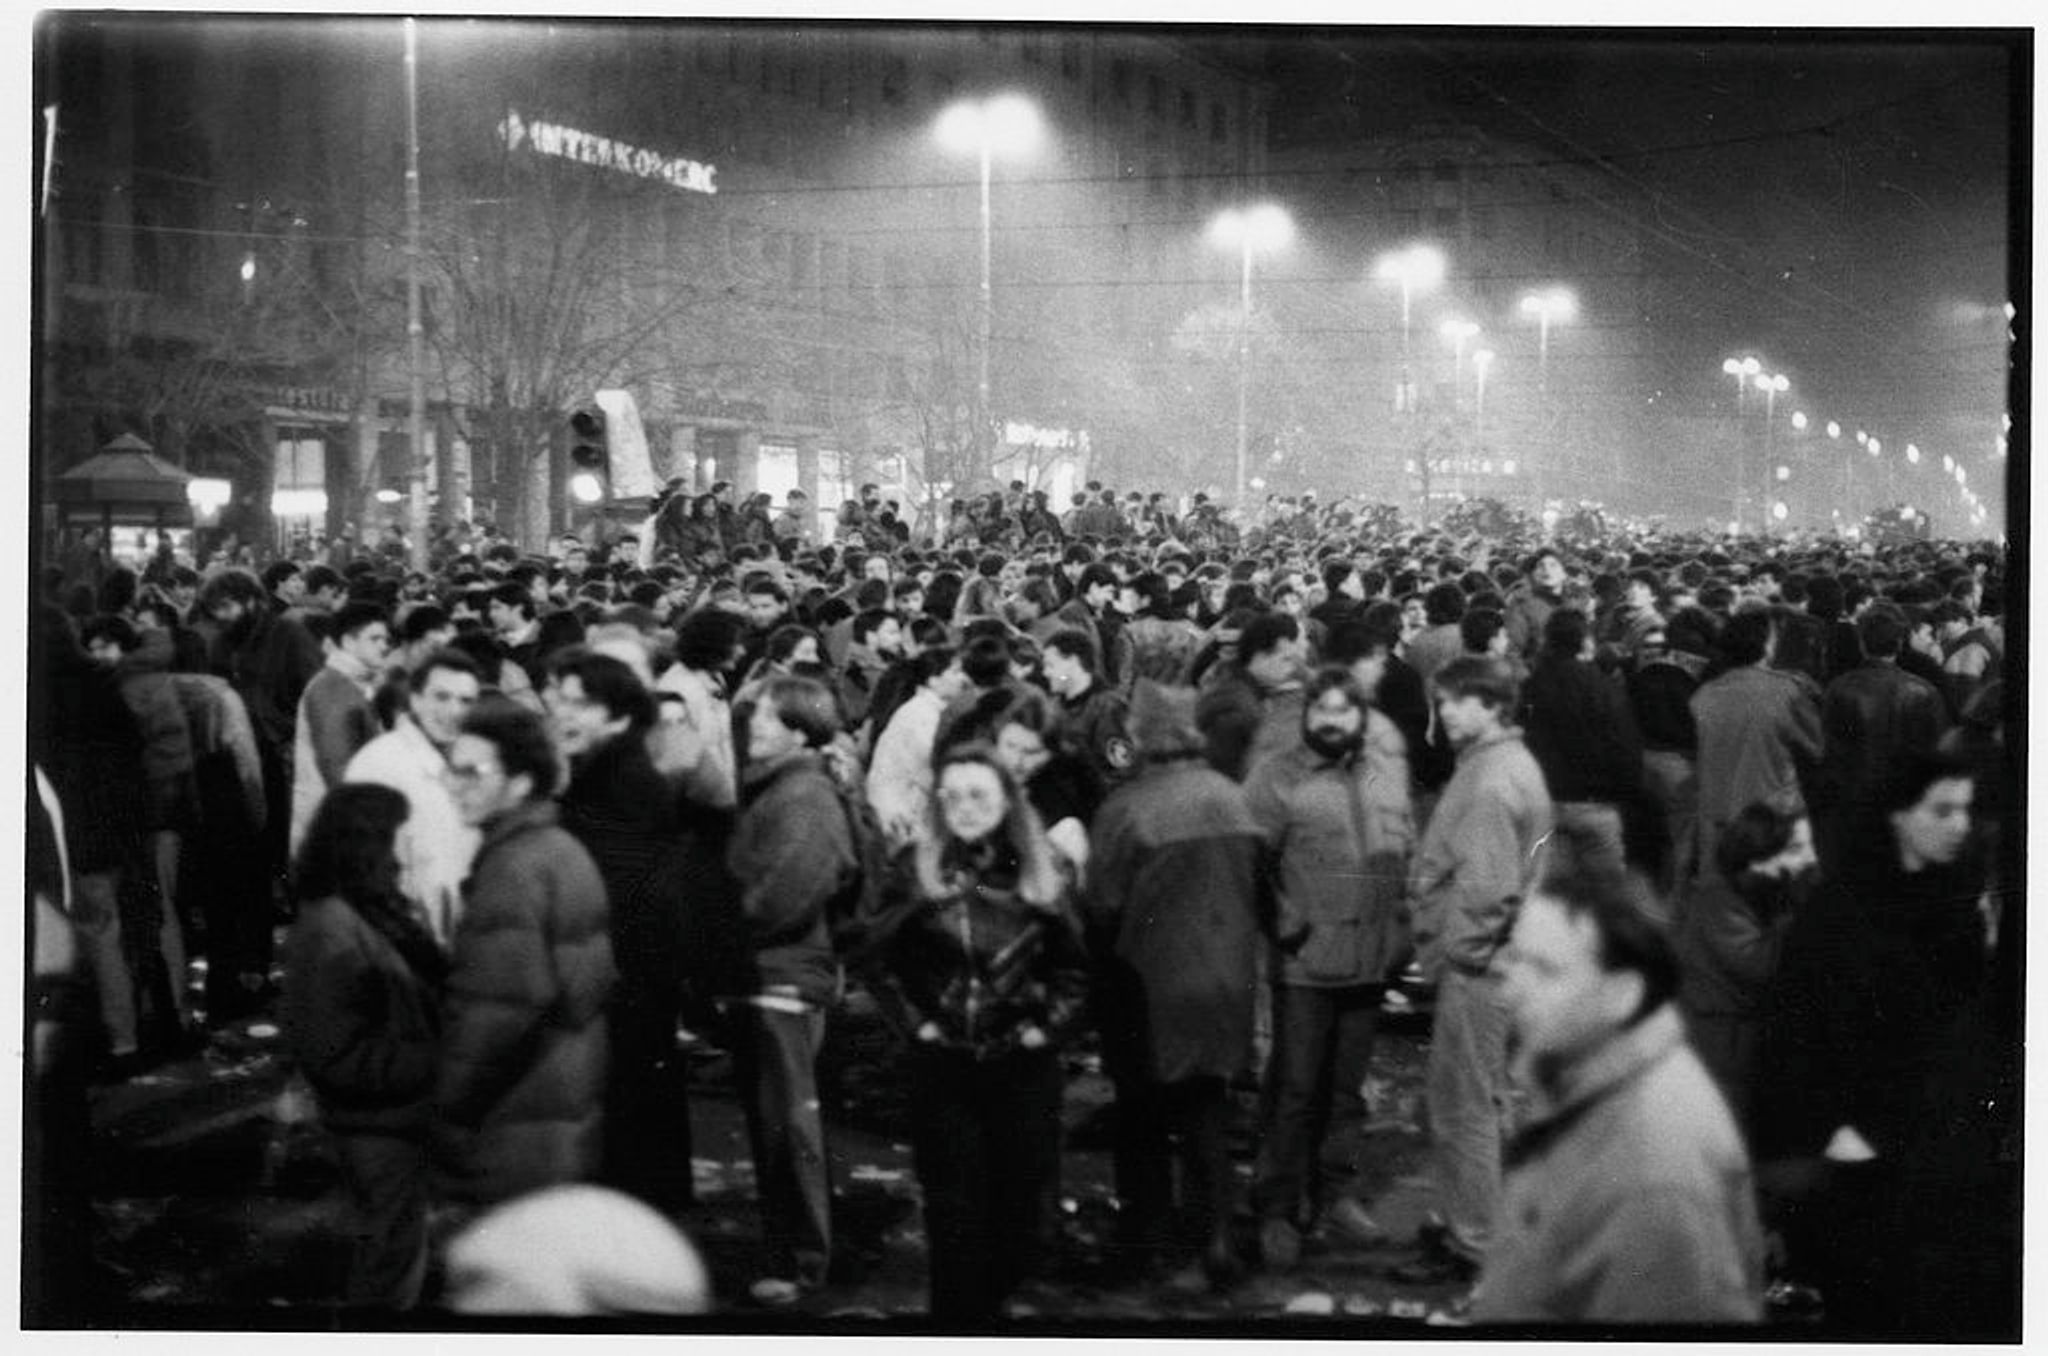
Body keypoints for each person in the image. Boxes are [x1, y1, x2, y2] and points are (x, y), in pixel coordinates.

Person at [1753, 748, 2011, 1337]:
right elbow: (1798, 1033)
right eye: (1942, 810)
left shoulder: (1957, 905)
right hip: (1858, 1149)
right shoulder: (1842, 911)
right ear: (1898, 815)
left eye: (1964, 811)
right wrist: (1835, 1131)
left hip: (1933, 1146)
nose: (1959, 825)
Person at [1474, 864, 1765, 1324]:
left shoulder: (1653, 1175)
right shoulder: (1585, 1077)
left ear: (1623, 995)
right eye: (1515, 958)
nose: (1510, 990)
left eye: (1546, 970)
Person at [862, 744, 1089, 1321]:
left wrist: (1047, 1030)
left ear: (1008, 800)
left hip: (1022, 1066)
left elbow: (1078, 967)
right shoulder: (917, 867)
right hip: (944, 1070)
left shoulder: (1044, 870)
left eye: (979, 794)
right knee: (952, 1216)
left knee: (1018, 1219)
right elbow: (877, 958)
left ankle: (989, 1307)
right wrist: (921, 1026)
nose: (965, 807)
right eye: (953, 795)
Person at [1084, 681, 1262, 1290]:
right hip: (1226, 983)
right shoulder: (1234, 799)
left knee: (1140, 1121)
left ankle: (1145, 1243)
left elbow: (1102, 908)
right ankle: (1215, 1241)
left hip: (1146, 987)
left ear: (1140, 736)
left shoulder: (1126, 809)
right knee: (1209, 1116)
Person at [1242, 667, 1415, 1270]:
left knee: (1345, 1094)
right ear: (1309, 714)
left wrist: (1401, 929)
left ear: (1360, 717)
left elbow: (1402, 850)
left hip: (1369, 962)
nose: (1334, 722)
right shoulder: (1276, 778)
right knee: (1294, 1090)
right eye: (1325, 712)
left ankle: (1333, 1195)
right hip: (1306, 966)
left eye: (1346, 712)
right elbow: (1251, 861)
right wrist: (1286, 924)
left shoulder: (1379, 775)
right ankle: (1278, 1208)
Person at [1397, 656, 1554, 1286]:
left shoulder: (1491, 779)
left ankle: (1476, 1243)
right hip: (1500, 960)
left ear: (1492, 706)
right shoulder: (1506, 765)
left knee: (1467, 1106)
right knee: (1486, 1098)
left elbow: (1488, 891)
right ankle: (1484, 1224)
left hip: (1481, 965)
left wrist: (1454, 956)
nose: (1446, 712)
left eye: (1459, 701)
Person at [432, 697, 616, 1209]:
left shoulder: (512, 871)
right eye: (451, 770)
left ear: (518, 782)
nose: (455, 785)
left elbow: (496, 1018)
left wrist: (445, 1111)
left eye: (472, 772)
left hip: (515, 1122)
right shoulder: (558, 848)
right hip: (558, 1111)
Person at [283, 783, 446, 1309]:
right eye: (400, 836)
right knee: (389, 1266)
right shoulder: (333, 927)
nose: (408, 850)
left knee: (396, 1252)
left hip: (394, 1120)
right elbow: (336, 1054)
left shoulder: (371, 908)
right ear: (366, 843)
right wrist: (435, 1061)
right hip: (377, 1127)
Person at [545, 648, 693, 1217]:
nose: (561, 712)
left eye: (578, 702)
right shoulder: (601, 772)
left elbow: (614, 892)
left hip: (621, 984)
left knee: (628, 1122)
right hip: (622, 982)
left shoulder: (622, 781)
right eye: (556, 697)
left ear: (619, 716)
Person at [727, 675, 858, 1301]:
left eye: (766, 721)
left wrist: (721, 932)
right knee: (778, 1126)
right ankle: (792, 1252)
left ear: (800, 731)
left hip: (782, 976)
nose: (752, 730)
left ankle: (802, 1261)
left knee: (789, 1129)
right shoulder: (786, 790)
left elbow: (785, 892)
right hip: (772, 974)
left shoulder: (802, 797)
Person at [1673, 801, 1814, 1135]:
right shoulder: (1719, 900)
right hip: (1718, 1032)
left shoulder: (1754, 893)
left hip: (1736, 1031)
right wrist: (1794, 924)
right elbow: (1756, 963)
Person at [343, 650, 483, 946]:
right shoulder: (380, 763)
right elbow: (359, 871)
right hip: (401, 942)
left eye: (465, 701)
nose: (454, 711)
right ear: (416, 699)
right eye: (441, 697)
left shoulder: (472, 762)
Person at [289, 600, 392, 855]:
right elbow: (338, 769)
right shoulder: (333, 689)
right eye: (375, 638)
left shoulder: (350, 683)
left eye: (386, 639)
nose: (384, 646)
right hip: (335, 830)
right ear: (347, 642)